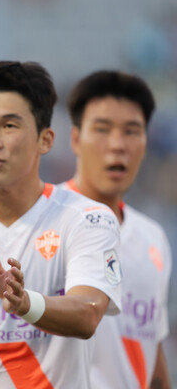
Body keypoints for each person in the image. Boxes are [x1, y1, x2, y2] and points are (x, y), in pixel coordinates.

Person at [0, 61, 123, 388]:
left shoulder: (86, 219)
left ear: (45, 140)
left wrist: (26, 304)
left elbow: (88, 312)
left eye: (9, 126)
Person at [62, 70, 172, 389]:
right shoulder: (41, 219)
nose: (117, 145)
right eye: (102, 129)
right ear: (75, 139)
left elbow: (154, 352)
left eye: (131, 131)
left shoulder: (154, 238)